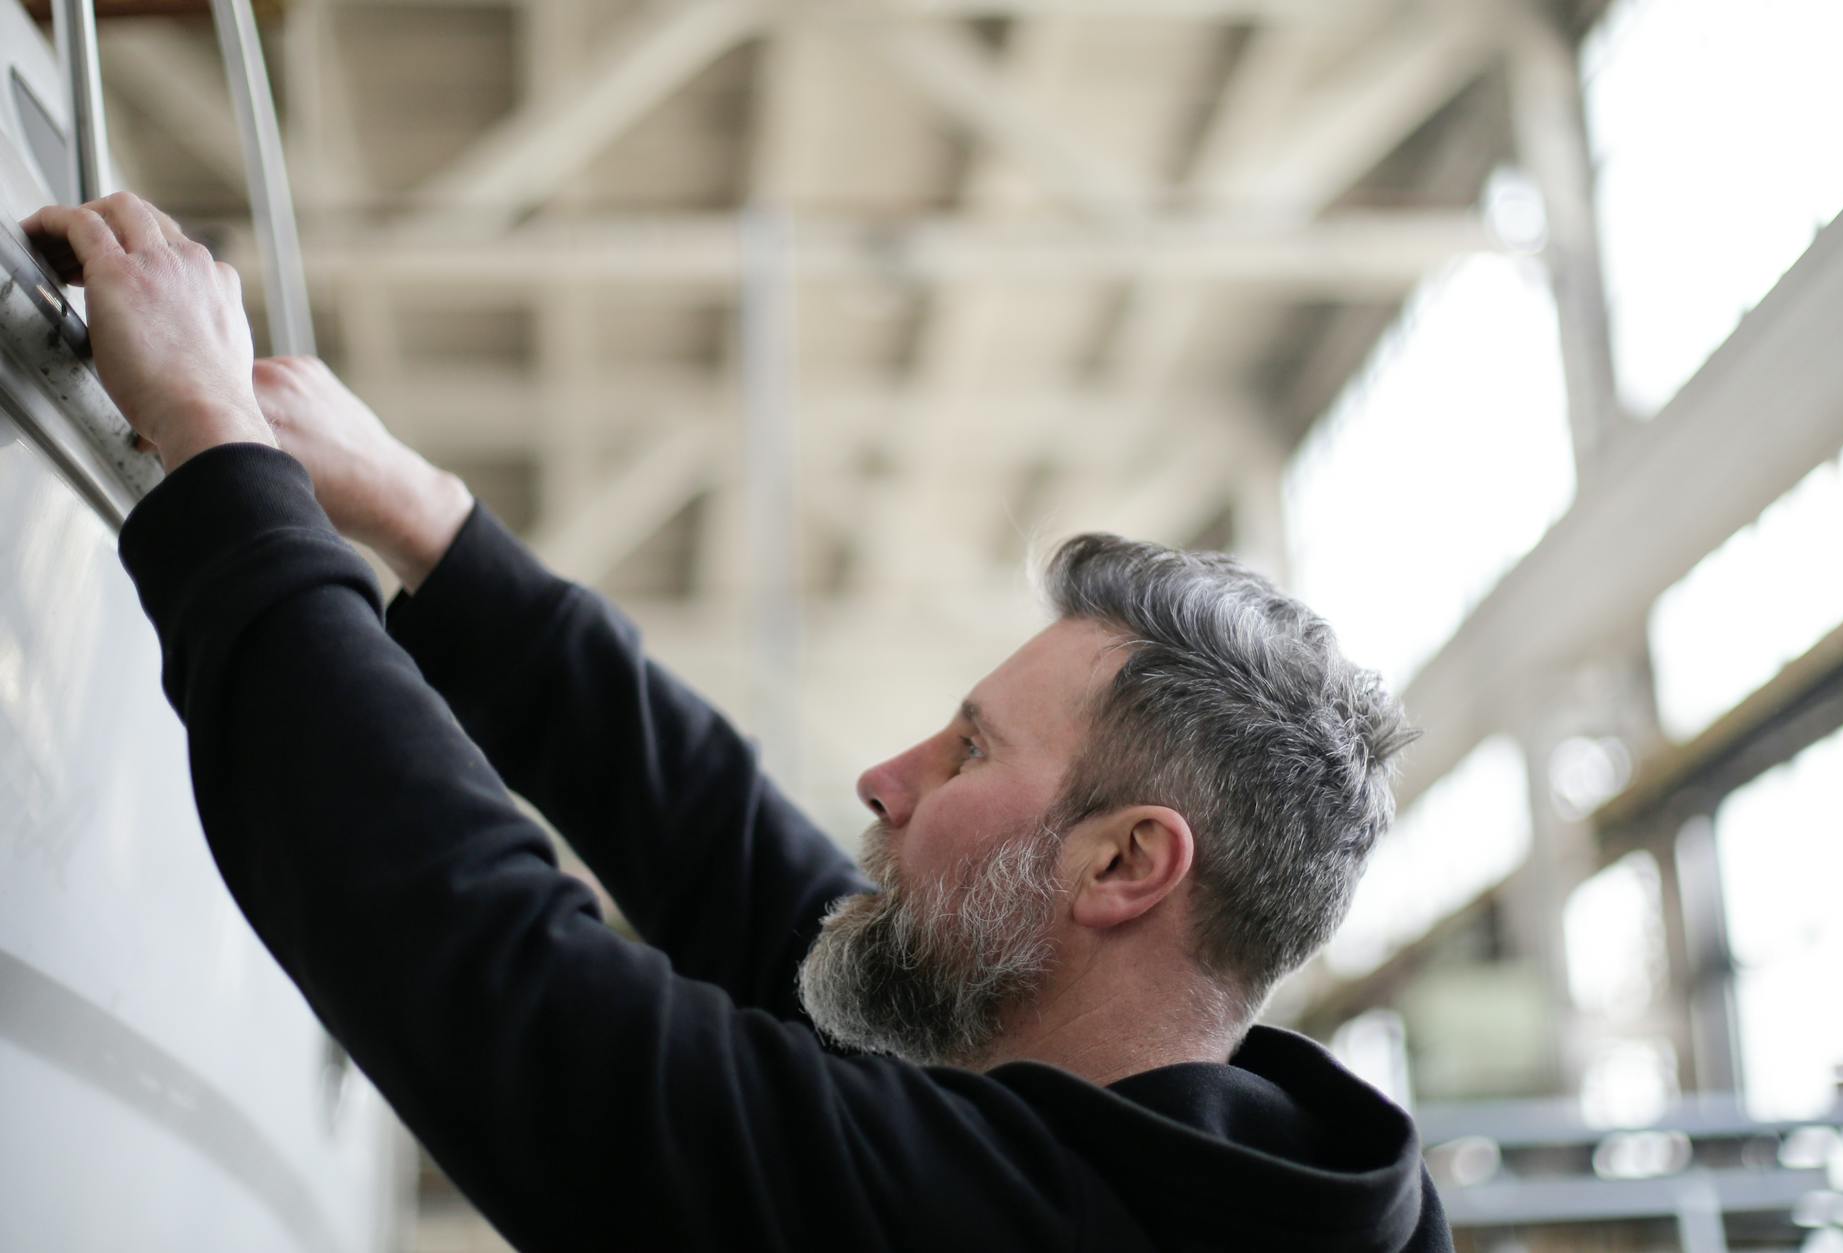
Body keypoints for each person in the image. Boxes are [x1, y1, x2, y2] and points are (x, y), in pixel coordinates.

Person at [23, 193, 1453, 1252]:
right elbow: (739, 863)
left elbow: (507, 989)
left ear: (1126, 863)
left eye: (969, 750)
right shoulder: (1195, 1166)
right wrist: (425, 515)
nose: (884, 779)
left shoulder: (1026, 1228)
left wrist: (219, 453)